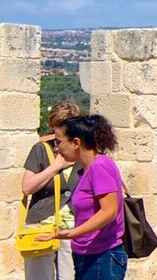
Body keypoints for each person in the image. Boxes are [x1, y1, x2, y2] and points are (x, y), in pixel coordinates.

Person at [36, 115, 126, 280]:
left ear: (76, 143)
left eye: (58, 142)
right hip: (88, 254)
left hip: (101, 256)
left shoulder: (99, 167)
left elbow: (109, 211)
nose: (56, 149)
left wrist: (72, 233)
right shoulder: (87, 169)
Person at [22, 102, 83, 280]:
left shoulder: (82, 151)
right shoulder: (41, 150)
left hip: (73, 227)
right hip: (41, 224)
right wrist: (55, 167)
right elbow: (27, 187)